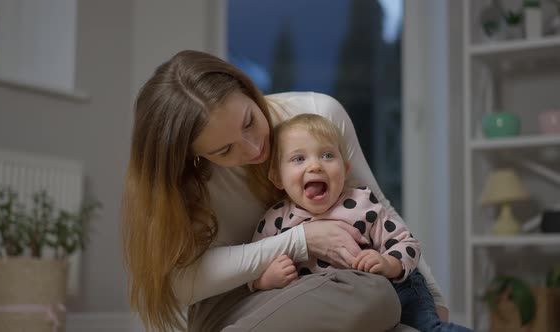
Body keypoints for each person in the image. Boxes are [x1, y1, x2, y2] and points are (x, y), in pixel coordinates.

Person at [121, 49, 449, 332]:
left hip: (326, 290)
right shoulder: (187, 181)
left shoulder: (317, 115)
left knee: (398, 316)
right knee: (376, 297)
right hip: (241, 303)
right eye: (224, 151)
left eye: (249, 121)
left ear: (247, 88)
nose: (252, 149)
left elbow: (379, 207)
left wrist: (432, 298)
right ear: (195, 154)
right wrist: (302, 240)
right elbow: (179, 283)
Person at [250, 114, 472, 332]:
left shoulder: (360, 203)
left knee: (430, 329)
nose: (315, 166)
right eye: (299, 159)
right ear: (277, 177)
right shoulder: (275, 220)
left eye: (327, 155)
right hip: (341, 307)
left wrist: (388, 263)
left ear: (345, 170)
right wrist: (264, 280)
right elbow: (252, 266)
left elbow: (409, 244)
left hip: (397, 287)